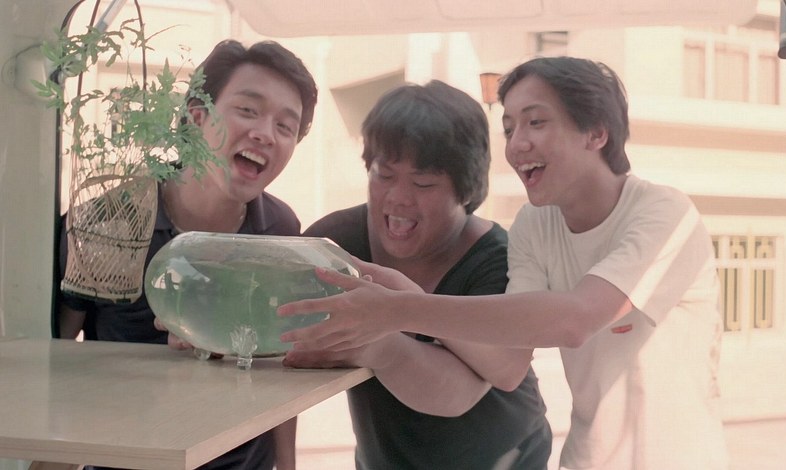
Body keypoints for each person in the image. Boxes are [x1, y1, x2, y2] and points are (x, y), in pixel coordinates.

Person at [279, 57, 728, 470]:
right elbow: (510, 357)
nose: (516, 145)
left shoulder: (665, 214)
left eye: (536, 121)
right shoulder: (535, 222)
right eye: (509, 127)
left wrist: (395, 309)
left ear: (596, 132)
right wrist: (400, 299)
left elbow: (576, 320)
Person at [57, 39, 318, 470]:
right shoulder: (105, 222)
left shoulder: (280, 229)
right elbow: (58, 363)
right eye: (248, 110)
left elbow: (280, 371)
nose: (265, 134)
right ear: (197, 117)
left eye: (285, 126)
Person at [284, 80, 552, 469]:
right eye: (384, 174)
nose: (398, 197)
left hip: (506, 458)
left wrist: (398, 306)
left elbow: (488, 378)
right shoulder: (336, 243)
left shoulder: (498, 259)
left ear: (466, 190)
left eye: (423, 182)